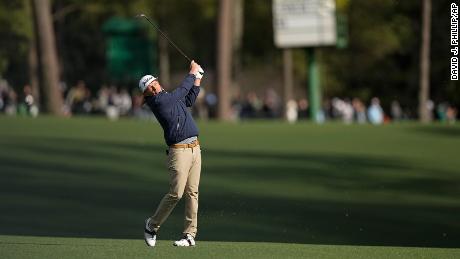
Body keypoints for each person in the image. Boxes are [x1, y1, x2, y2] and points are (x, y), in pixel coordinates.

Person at [140, 60, 204, 247]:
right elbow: (182, 90)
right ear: (147, 93)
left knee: (193, 192)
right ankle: (151, 225)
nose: (154, 87)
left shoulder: (168, 97)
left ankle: (189, 235)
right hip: (179, 152)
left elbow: (189, 99)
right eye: (150, 87)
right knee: (176, 193)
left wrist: (198, 79)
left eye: (155, 83)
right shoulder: (159, 102)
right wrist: (192, 73)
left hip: (195, 148)